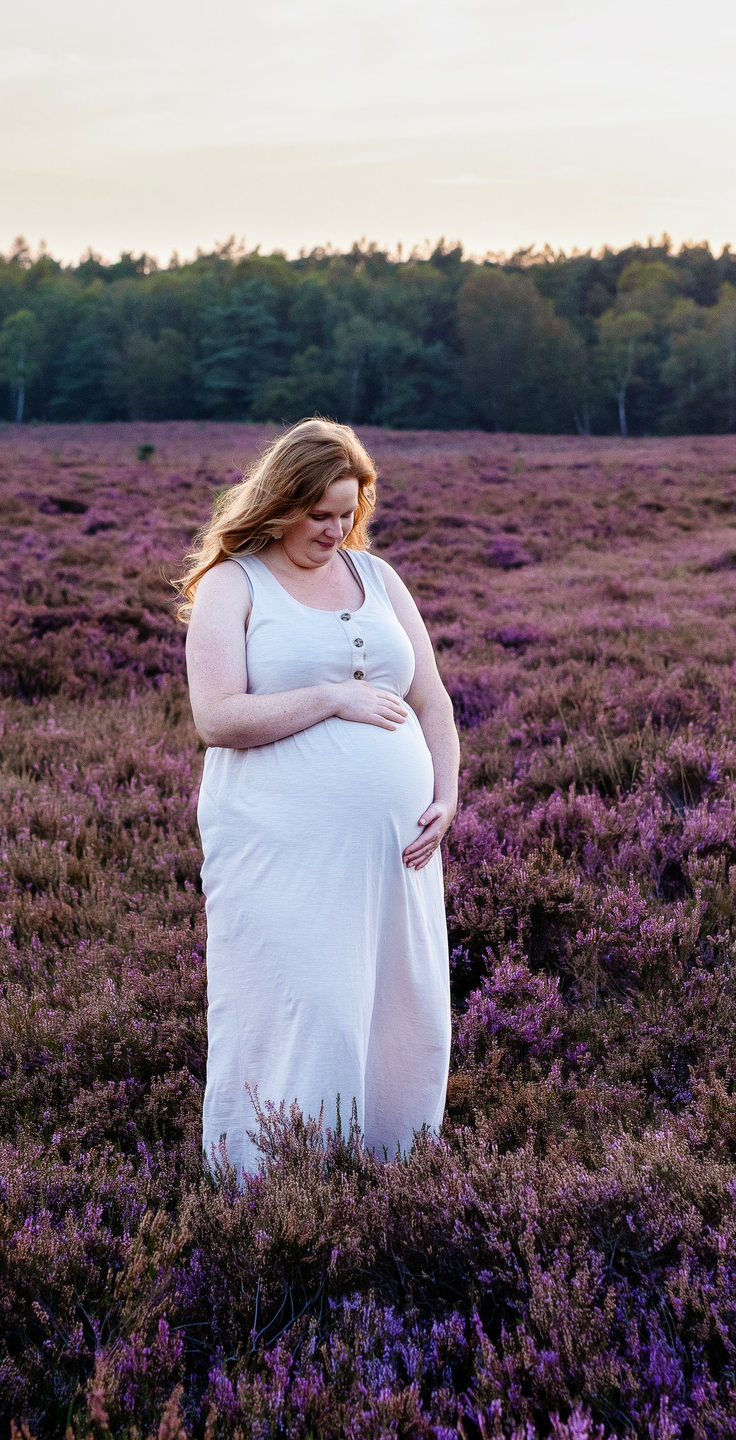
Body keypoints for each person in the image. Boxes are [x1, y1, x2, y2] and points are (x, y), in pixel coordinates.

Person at [176, 418, 458, 1177]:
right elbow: (217, 718)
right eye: (319, 514)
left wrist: (447, 793)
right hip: (281, 850)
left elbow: (431, 698)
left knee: (403, 1009)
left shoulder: (379, 578)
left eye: (347, 512)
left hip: (398, 853)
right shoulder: (233, 584)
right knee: (311, 1008)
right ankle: (277, 1183)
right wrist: (333, 698)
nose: (335, 531)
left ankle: (392, 1176)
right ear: (280, 504)